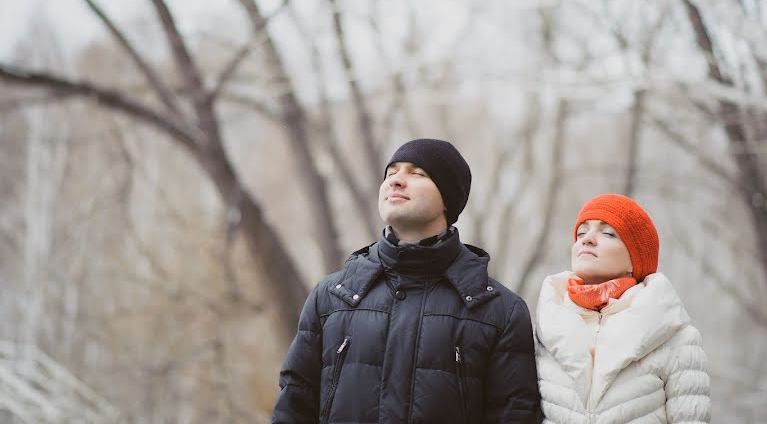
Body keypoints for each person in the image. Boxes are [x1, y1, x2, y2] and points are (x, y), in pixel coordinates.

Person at [272, 138, 542, 424]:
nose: (397, 181)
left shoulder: (499, 311)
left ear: (448, 198)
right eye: (391, 173)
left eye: (417, 173)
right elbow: (293, 407)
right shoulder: (331, 297)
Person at [534, 194, 710, 424]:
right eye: (581, 233)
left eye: (608, 233)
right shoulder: (545, 326)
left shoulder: (674, 336)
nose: (587, 240)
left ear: (634, 260)